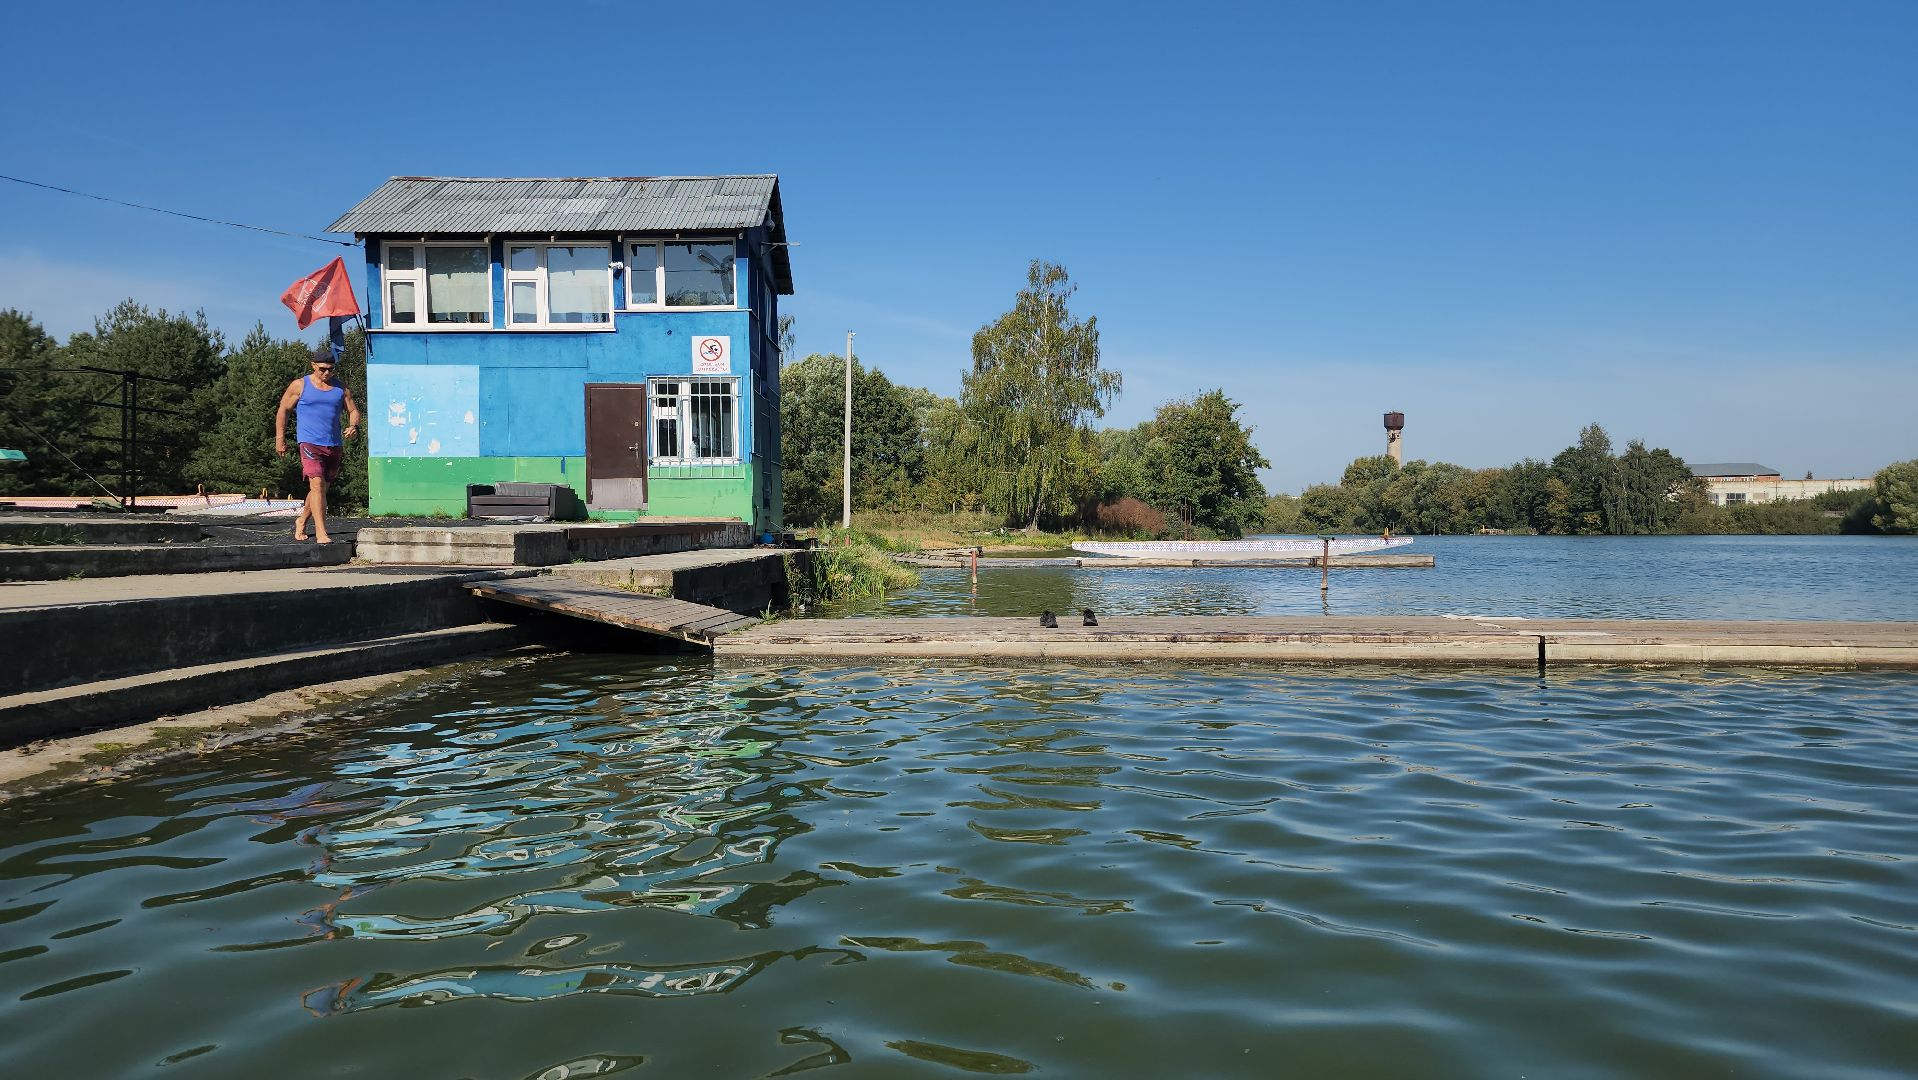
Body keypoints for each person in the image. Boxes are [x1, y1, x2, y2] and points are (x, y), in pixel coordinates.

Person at [275, 346, 360, 544]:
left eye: (330, 369)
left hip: (333, 444)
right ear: (313, 365)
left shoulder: (341, 389)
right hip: (309, 442)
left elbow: (353, 411)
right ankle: (321, 533)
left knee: (320, 490)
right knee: (317, 485)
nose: (326, 372)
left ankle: (302, 520)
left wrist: (353, 426)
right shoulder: (299, 385)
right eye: (322, 368)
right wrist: (280, 439)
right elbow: (283, 410)